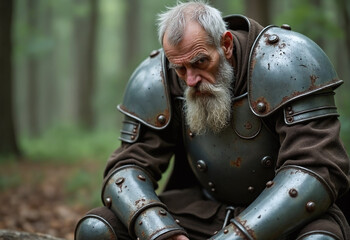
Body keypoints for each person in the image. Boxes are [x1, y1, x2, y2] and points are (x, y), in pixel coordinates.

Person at [74, 1, 350, 240]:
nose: (191, 80)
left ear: (226, 44)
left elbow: (316, 168)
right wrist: (159, 230)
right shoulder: (160, 76)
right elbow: (127, 166)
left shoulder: (287, 61)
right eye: (181, 68)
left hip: (286, 212)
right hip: (204, 212)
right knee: (97, 228)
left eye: (200, 62)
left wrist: (236, 235)